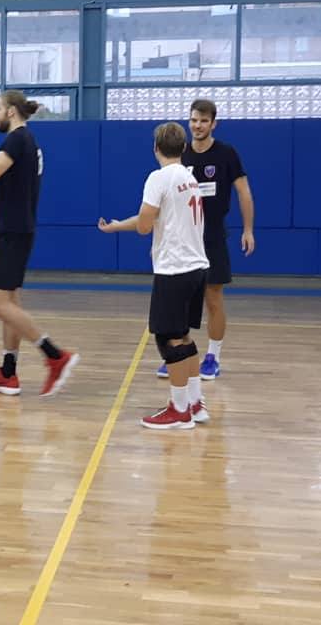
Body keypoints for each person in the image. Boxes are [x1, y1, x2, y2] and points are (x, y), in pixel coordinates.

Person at [99, 122, 211, 429]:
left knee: (167, 338)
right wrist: (118, 226)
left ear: (155, 148)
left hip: (174, 268)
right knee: (183, 336)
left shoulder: (158, 178)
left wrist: (138, 226)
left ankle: (179, 410)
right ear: (183, 147)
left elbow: (146, 224)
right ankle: (195, 402)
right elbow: (159, 216)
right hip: (197, 267)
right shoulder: (189, 177)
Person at [0, 90, 76, 396]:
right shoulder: (29, 141)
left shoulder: (16, 139)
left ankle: (55, 356)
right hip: (20, 227)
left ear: (11, 111)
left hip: (12, 229)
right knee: (10, 304)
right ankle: (8, 372)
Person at [158, 98, 255, 381]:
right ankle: (180, 353)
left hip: (211, 237)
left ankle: (213, 356)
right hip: (182, 238)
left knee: (213, 298)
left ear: (214, 124)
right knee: (180, 300)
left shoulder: (226, 154)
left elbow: (244, 192)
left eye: (203, 121)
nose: (197, 126)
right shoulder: (180, 154)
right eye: (193, 120)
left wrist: (248, 230)